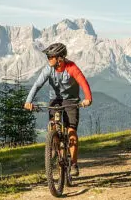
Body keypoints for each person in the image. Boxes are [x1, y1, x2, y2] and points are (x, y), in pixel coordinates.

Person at [23, 42, 92, 177]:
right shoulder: (48, 69)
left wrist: (88, 98)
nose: (48, 59)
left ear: (60, 58)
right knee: (53, 126)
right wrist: (28, 101)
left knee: (71, 131)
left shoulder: (71, 67)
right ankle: (53, 144)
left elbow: (83, 82)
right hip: (55, 99)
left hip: (71, 100)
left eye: (50, 57)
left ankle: (73, 163)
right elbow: (37, 85)